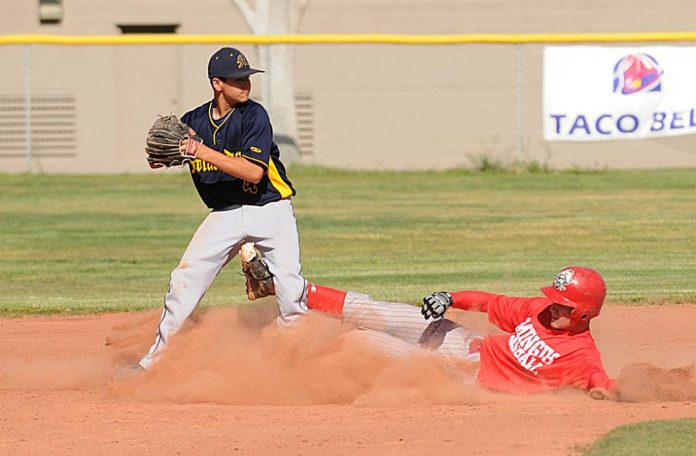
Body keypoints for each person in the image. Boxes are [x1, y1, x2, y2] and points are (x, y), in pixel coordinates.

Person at [137, 47, 307, 370]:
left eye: (247, 78)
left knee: (290, 285)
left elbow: (254, 172)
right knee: (184, 281)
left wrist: (200, 150)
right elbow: (155, 160)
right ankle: (152, 364)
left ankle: (293, 366)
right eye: (238, 79)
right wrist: (167, 153)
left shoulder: (255, 116)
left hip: (270, 208)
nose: (246, 84)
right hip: (224, 214)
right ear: (217, 84)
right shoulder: (194, 122)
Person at [304, 266, 615, 396]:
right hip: (463, 339)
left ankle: (292, 370)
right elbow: (489, 302)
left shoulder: (581, 355)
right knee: (372, 311)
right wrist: (449, 298)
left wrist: (618, 391)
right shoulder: (540, 310)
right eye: (554, 299)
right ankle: (292, 290)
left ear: (585, 313)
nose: (554, 306)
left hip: (459, 372)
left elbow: (600, 381)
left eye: (563, 305)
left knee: (360, 341)